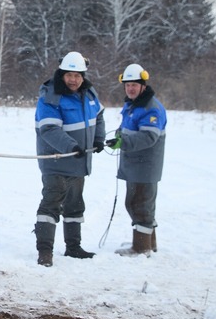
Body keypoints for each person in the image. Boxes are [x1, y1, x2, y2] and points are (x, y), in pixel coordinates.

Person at [34, 51, 106, 267]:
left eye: (78, 76)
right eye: (69, 75)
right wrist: (71, 146)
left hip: (79, 164)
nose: (73, 80)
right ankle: (45, 251)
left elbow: (99, 117)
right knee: (51, 205)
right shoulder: (50, 96)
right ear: (62, 74)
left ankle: (73, 247)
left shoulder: (89, 94)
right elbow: (48, 129)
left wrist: (99, 139)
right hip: (56, 162)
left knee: (75, 205)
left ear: (83, 76)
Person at [106, 63, 167, 257]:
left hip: (145, 166)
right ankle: (149, 241)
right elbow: (128, 128)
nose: (130, 88)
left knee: (139, 204)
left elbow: (148, 137)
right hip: (135, 165)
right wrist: (118, 135)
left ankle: (141, 247)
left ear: (143, 85)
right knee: (138, 203)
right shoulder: (134, 105)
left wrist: (122, 142)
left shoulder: (151, 108)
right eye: (127, 85)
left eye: (134, 85)